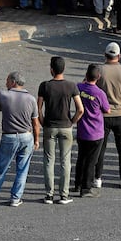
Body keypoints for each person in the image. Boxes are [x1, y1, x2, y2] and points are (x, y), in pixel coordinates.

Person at [0, 71, 40, 206]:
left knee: (1, 168)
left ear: (13, 82)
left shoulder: (3, 95)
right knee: (22, 169)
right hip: (26, 136)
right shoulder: (31, 99)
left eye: (7, 80)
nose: (6, 83)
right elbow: (35, 123)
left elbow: (0, 108)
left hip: (8, 136)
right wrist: (37, 140)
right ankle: (15, 198)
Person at [38, 56, 84, 204]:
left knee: (48, 160)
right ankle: (64, 195)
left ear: (51, 69)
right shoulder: (71, 86)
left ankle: (49, 195)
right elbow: (80, 109)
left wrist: (42, 121)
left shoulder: (44, 86)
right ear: (63, 69)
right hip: (66, 127)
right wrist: (72, 122)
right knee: (65, 161)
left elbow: (38, 108)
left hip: (49, 127)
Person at [94, 42, 121, 189]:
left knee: (100, 148)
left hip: (102, 115)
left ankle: (97, 177)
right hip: (120, 114)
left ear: (105, 55)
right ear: (119, 56)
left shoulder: (99, 71)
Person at [75, 64, 110, 198]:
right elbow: (107, 109)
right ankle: (86, 188)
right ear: (99, 77)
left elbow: (80, 86)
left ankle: (78, 183)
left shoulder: (79, 87)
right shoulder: (99, 93)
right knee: (91, 161)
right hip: (95, 132)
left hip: (82, 129)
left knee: (81, 158)